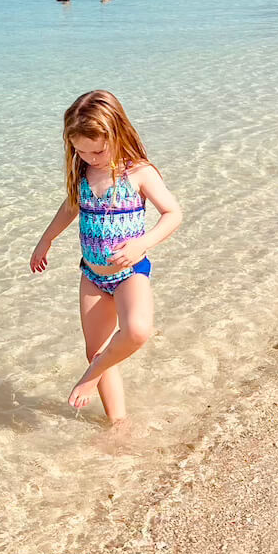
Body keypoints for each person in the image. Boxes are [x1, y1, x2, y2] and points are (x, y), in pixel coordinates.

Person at [29, 90, 182, 419]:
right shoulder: (83, 174)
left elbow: (173, 213)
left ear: (117, 133)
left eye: (96, 150)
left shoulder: (138, 172)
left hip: (130, 271)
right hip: (92, 275)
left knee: (137, 331)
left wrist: (144, 243)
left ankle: (89, 378)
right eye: (80, 150)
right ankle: (117, 423)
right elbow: (71, 208)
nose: (89, 157)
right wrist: (46, 240)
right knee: (95, 351)